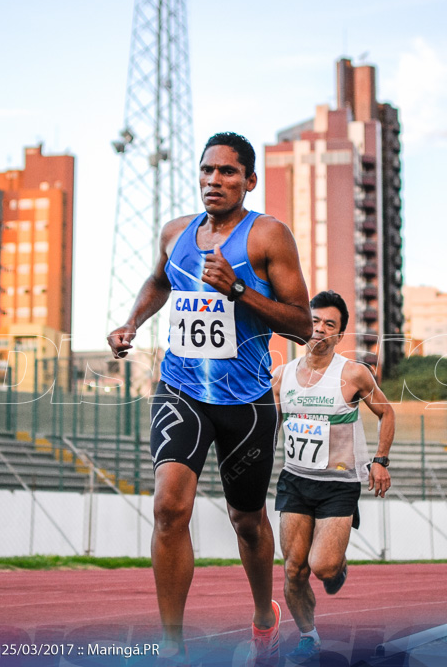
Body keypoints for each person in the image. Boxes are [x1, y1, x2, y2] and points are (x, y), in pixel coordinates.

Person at [107, 132, 312, 665]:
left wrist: (240, 292)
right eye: (206, 171)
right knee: (170, 509)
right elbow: (159, 283)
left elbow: (302, 325)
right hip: (181, 390)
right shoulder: (176, 233)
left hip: (244, 403)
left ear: (249, 180)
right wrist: (132, 323)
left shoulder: (268, 235)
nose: (213, 181)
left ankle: (264, 614)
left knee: (246, 520)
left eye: (226, 172)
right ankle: (171, 646)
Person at [271, 290, 395, 665]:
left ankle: (337, 561)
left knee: (322, 567)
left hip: (338, 485)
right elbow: (271, 423)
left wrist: (381, 461)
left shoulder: (353, 373)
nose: (319, 330)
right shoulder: (283, 374)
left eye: (330, 325)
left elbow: (387, 414)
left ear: (339, 334)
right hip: (294, 479)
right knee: (294, 570)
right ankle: (309, 637)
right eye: (314, 321)